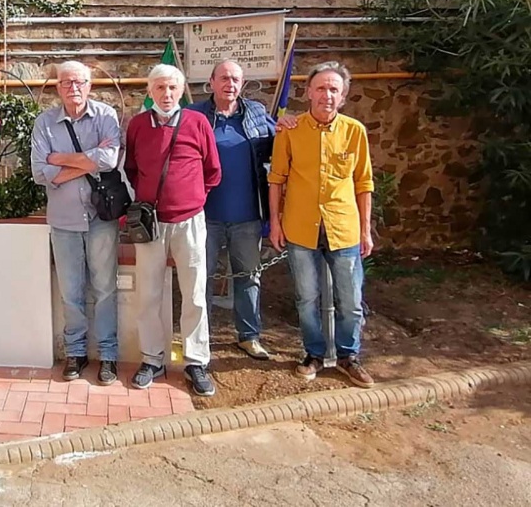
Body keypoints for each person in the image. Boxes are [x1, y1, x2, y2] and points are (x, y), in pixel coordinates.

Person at [268, 61, 375, 388]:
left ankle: (348, 356)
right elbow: (277, 180)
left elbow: (364, 182)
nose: (327, 95)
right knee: (306, 297)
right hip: (301, 229)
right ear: (308, 92)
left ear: (342, 97)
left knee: (350, 299)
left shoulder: (354, 131)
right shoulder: (290, 130)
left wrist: (366, 229)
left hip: (344, 229)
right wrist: (275, 223)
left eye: (334, 89)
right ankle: (313, 353)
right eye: (321, 88)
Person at [125, 64, 221, 396]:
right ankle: (153, 359)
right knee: (148, 294)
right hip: (152, 223)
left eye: (172, 88)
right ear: (150, 91)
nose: (167, 94)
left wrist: (190, 199)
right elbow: (132, 170)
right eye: (160, 88)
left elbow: (212, 171)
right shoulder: (137, 125)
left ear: (181, 91)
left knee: (194, 294)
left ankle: (196, 361)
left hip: (190, 221)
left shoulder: (198, 122)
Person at [30, 61, 122, 385]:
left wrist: (62, 159)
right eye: (67, 83)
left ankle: (109, 356)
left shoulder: (106, 117)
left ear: (90, 86)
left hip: (101, 219)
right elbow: (40, 171)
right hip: (65, 220)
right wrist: (89, 161)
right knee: (71, 292)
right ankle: (76, 352)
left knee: (105, 289)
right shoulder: (44, 123)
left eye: (79, 82)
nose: (73, 88)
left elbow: (110, 160)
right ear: (58, 88)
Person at [189, 60, 276, 360]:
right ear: (211, 82)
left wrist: (291, 125)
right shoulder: (193, 115)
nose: (230, 83)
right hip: (204, 216)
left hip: (247, 216)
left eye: (236, 79)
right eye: (224, 78)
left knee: (249, 278)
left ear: (243, 84)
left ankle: (249, 336)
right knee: (202, 279)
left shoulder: (256, 113)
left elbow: (281, 145)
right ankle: (202, 339)